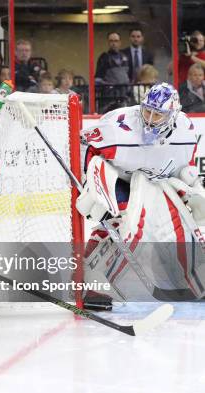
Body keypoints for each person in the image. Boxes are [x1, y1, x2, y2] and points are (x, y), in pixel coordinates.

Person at [77, 83, 199, 308]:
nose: (150, 119)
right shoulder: (118, 125)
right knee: (121, 224)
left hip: (155, 184)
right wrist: (91, 181)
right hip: (119, 179)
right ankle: (93, 286)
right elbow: (85, 145)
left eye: (158, 114)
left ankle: (190, 280)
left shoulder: (186, 130)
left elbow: (186, 162)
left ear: (172, 115)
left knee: (179, 227)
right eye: (147, 111)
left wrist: (184, 187)